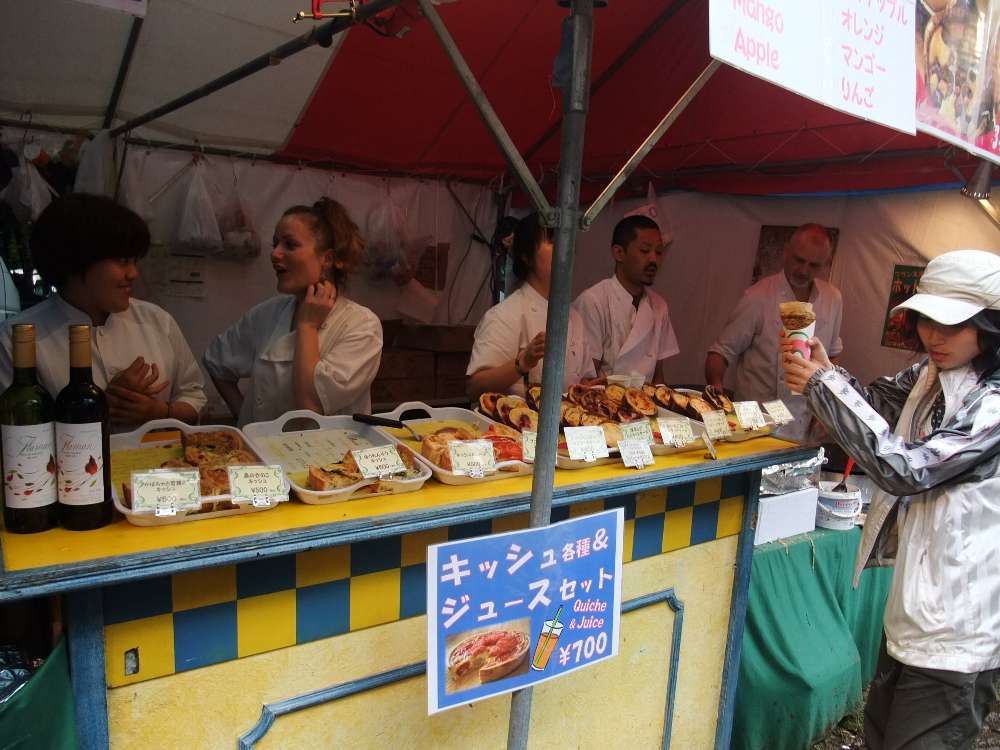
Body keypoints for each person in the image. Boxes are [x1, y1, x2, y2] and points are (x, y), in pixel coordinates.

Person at [783, 249, 1000, 750]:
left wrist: (825, 387)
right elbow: (874, 402)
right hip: (913, 611)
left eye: (952, 324)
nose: (933, 337)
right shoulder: (929, 373)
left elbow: (906, 468)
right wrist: (824, 371)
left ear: (990, 324)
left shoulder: (991, 403)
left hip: (960, 631)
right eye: (927, 321)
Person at [0, 193, 206, 429]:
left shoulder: (157, 320)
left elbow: (194, 395)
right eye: (122, 260)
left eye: (134, 260)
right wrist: (102, 404)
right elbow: (17, 434)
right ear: (75, 261)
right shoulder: (18, 339)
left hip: (162, 463)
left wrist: (159, 412)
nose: (133, 273)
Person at [204, 198, 382, 426]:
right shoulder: (267, 313)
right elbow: (216, 361)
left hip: (327, 459)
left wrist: (307, 326)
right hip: (262, 455)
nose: (275, 254)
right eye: (275, 244)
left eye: (289, 245)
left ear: (326, 259)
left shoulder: (361, 324)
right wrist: (245, 420)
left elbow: (311, 405)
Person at [706, 223, 843, 440]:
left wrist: (828, 407)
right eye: (800, 260)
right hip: (756, 421)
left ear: (826, 264)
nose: (804, 270)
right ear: (786, 251)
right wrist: (715, 388)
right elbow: (720, 352)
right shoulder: (758, 297)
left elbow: (833, 355)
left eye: (814, 265)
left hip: (804, 423)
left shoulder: (832, 299)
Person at [467, 213, 595, 399]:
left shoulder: (574, 316)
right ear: (526, 256)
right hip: (514, 424)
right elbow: (475, 386)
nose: (565, 249)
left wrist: (590, 387)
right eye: (552, 241)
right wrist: (522, 362)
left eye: (568, 242)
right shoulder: (505, 315)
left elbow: (581, 378)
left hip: (566, 424)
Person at [573, 214, 679, 384]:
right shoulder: (593, 301)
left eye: (659, 252)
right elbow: (584, 376)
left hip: (645, 403)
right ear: (619, 253)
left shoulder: (659, 306)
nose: (654, 259)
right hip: (601, 403)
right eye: (645, 250)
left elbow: (658, 377)